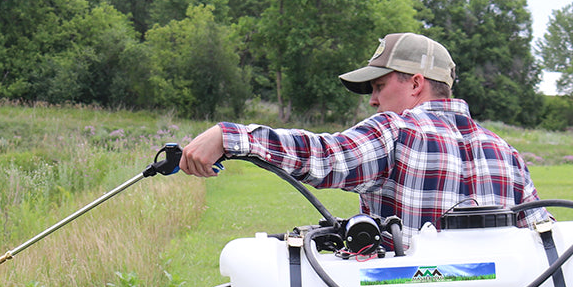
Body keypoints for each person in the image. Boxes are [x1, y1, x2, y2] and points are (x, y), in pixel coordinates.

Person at [179, 32, 548, 237]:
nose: (372, 100)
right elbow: (541, 237)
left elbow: (325, 155)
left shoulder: (396, 132)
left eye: (379, 86)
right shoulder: (507, 153)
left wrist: (231, 137)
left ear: (416, 83)